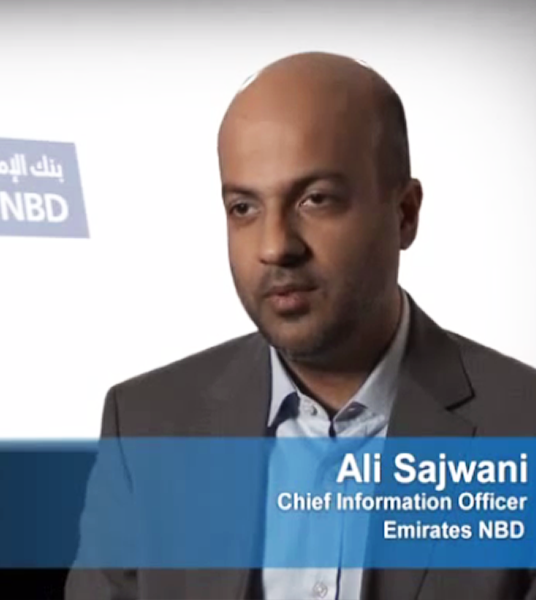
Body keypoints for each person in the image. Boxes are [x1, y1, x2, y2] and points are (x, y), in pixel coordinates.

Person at [64, 51, 536, 600]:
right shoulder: (144, 426)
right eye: (244, 207)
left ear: (405, 214)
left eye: (316, 199)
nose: (275, 247)